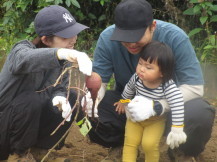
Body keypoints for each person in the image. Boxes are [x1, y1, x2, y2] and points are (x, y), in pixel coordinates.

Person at [83, 0, 215, 161]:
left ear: (152, 26)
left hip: (173, 110)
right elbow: (100, 82)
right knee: (85, 107)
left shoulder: (175, 37)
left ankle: (181, 151)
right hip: (129, 108)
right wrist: (92, 99)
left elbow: (195, 88)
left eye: (136, 36)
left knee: (200, 113)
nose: (131, 43)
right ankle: (121, 145)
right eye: (125, 37)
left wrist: (158, 105)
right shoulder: (107, 38)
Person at [0, 5, 92, 161]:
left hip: (29, 126)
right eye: (65, 37)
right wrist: (61, 53)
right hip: (5, 128)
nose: (73, 39)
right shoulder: (21, 50)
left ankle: (42, 151)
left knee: (71, 97)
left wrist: (60, 97)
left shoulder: (63, 63)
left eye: (74, 33)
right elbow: (24, 60)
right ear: (46, 40)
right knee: (31, 100)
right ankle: (18, 155)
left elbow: (61, 87)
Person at [114, 41, 186, 162]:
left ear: (162, 72)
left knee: (149, 145)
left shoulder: (166, 85)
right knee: (130, 143)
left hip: (155, 121)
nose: (141, 69)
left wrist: (177, 128)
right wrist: (124, 101)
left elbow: (177, 102)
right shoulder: (136, 78)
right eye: (140, 63)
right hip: (134, 119)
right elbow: (129, 88)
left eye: (148, 67)